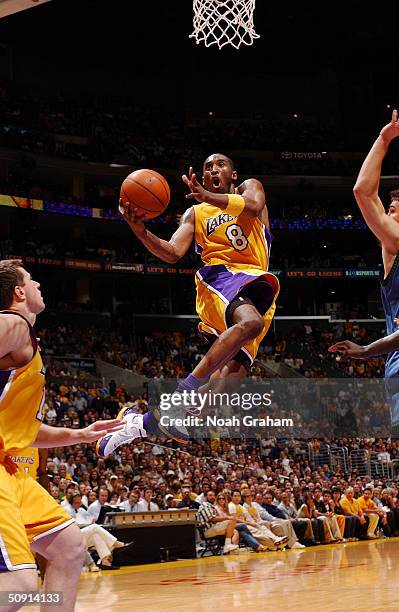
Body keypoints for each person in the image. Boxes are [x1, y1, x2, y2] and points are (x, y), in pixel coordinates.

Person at [97, 154, 279, 456]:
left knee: (221, 393)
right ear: (203, 179)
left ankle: (137, 424)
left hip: (256, 286)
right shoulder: (195, 213)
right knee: (251, 324)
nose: (213, 169)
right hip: (220, 278)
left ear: (233, 175)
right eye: (208, 167)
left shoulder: (250, 188)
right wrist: (141, 231)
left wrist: (212, 196)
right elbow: (171, 252)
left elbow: (255, 206)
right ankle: (182, 393)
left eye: (220, 165)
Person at [0, 260, 125, 611]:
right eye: (31, 280)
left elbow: (23, 430)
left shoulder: (24, 341)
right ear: (19, 292)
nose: (39, 284)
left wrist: (80, 434)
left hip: (11, 470)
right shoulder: (14, 324)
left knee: (69, 547)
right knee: (19, 586)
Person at [328, 110, 399, 433]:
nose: (389, 213)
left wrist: (385, 138)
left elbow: (364, 193)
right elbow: (364, 192)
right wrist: (384, 138)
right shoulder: (395, 244)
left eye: (395, 209)